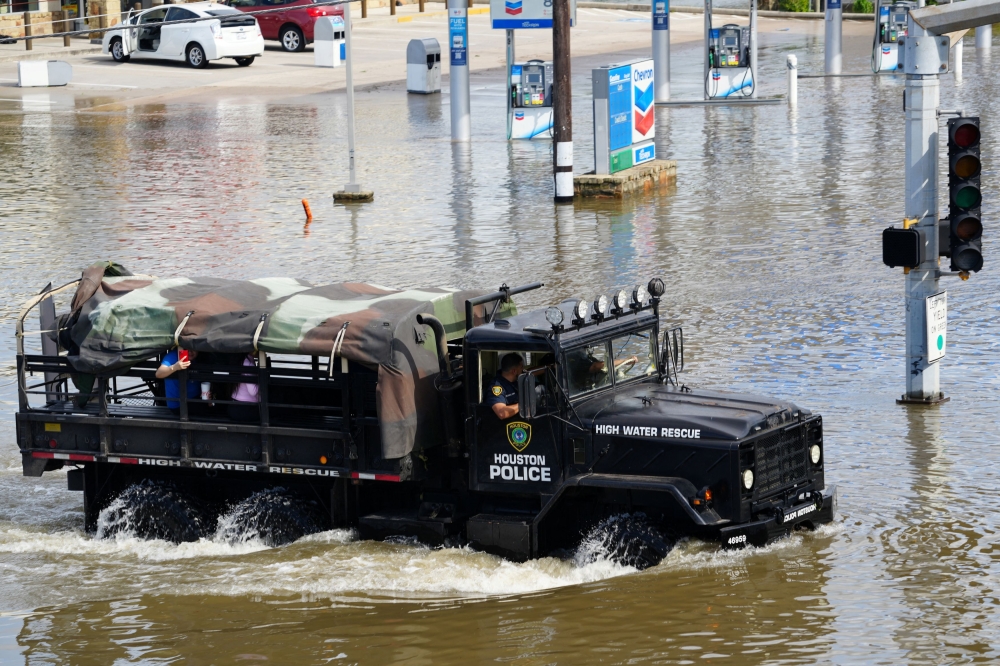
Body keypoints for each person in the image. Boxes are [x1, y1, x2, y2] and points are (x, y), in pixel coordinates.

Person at [156, 348, 200, 413]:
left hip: (197, 399)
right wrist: (175, 367)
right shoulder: (174, 355)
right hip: (179, 405)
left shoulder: (200, 357)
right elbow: (158, 373)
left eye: (193, 348)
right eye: (187, 348)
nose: (190, 351)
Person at [484, 352, 523, 420]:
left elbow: (530, 372)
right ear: (514, 371)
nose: (522, 370)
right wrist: (525, 405)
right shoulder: (497, 387)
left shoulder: (515, 380)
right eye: (521, 368)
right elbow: (502, 413)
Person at [229, 353, 260, 422]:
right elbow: (253, 392)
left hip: (234, 406)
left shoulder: (240, 360)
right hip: (246, 410)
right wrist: (262, 380)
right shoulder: (248, 363)